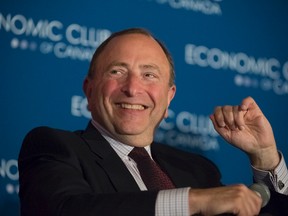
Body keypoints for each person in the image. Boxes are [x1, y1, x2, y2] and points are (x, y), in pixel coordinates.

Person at [18, 28, 288, 216]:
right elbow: (66, 210)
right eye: (117, 71)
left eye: (149, 74)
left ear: (169, 98)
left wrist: (264, 157)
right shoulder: (54, 147)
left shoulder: (199, 171)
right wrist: (193, 200)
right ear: (89, 91)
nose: (133, 88)